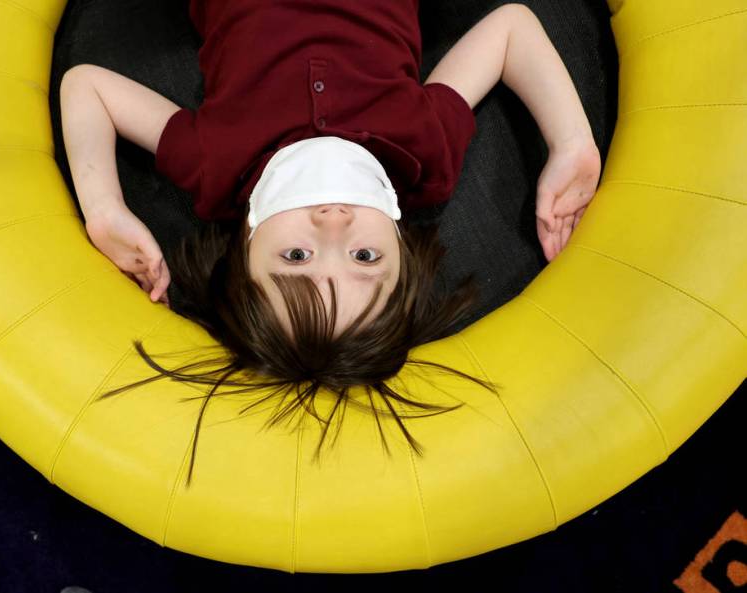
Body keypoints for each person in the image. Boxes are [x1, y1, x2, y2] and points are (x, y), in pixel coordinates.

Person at [59, 2, 601, 487]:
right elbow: (510, 31)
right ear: (399, 244)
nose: (333, 222)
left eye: (297, 257)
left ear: (246, 248)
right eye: (365, 257)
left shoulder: (216, 165)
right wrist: (571, 140)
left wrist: (105, 208)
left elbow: (86, 87)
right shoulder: (420, 153)